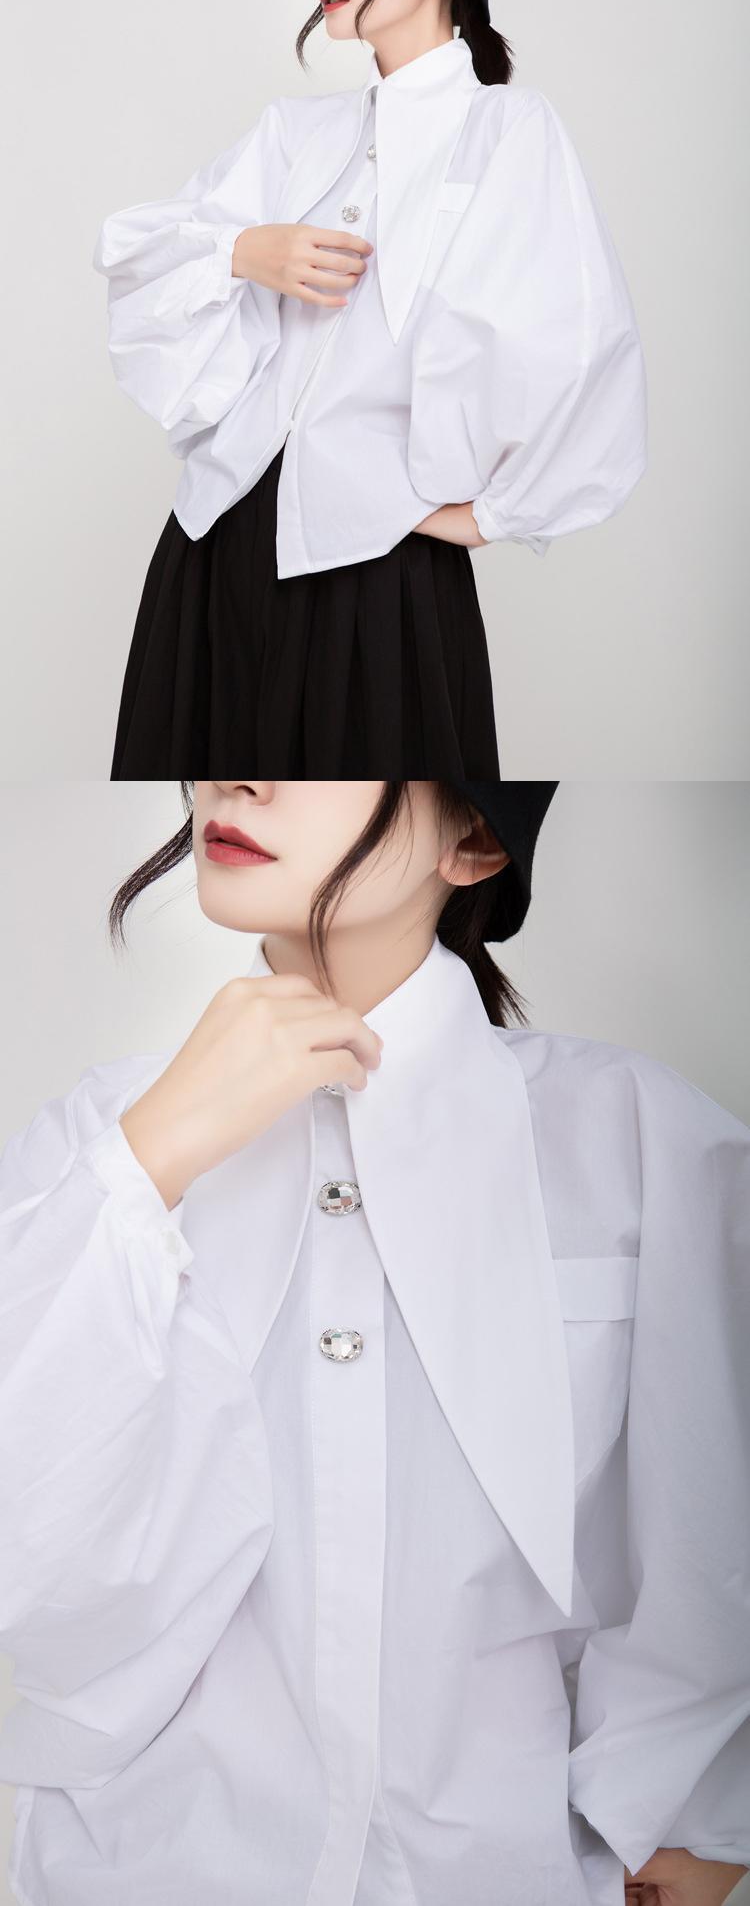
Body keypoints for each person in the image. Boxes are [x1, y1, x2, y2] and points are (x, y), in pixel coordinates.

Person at [0, 775, 747, 1906]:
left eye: (325, 739)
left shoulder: (638, 1139)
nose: (239, 774)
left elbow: (713, 1532)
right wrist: (151, 1158)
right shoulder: (96, 1144)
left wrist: (685, 1821)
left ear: (476, 838)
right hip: (136, 1866)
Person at [93, 0, 647, 777]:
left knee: (369, 807)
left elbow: (577, 343)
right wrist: (246, 249)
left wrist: (489, 514)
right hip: (214, 546)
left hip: (372, 573)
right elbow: (138, 259)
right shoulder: (294, 134)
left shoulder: (505, 133)